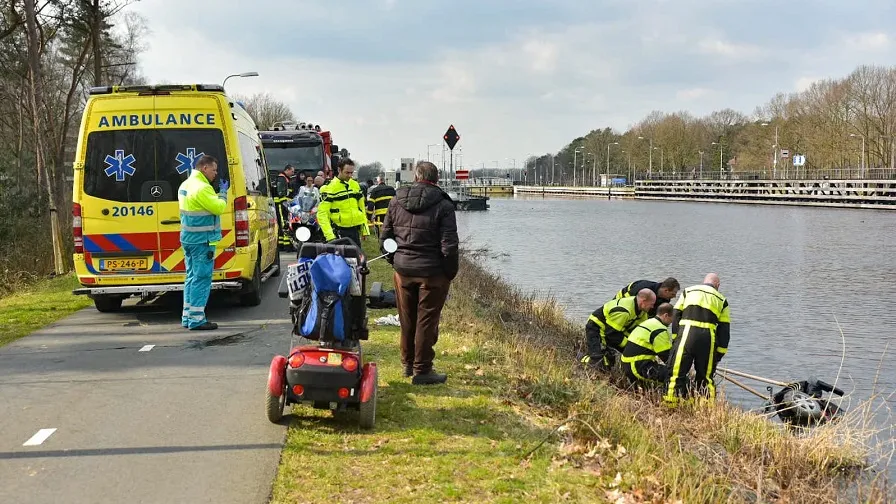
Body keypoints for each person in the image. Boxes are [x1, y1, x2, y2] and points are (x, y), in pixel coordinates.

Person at [380, 161, 458, 385]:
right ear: (436, 179)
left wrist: (395, 261)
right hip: (432, 272)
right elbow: (449, 245)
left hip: (403, 269)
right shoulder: (444, 204)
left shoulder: (396, 200)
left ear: (415, 176)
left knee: (407, 318)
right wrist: (449, 273)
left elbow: (385, 238)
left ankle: (407, 364)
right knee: (426, 320)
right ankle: (422, 369)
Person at [663, 273, 731, 406]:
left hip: (686, 336)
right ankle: (707, 408)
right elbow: (724, 329)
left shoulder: (688, 291)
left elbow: (676, 314)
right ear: (717, 285)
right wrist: (720, 352)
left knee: (676, 373)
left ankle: (671, 405)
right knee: (705, 377)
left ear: (703, 282)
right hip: (708, 340)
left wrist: (676, 338)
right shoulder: (722, 300)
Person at [178, 155, 228, 331]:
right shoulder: (202, 188)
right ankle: (197, 319)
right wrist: (222, 194)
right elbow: (219, 208)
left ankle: (187, 315)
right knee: (202, 279)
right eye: (214, 170)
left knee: (191, 277)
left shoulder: (186, 184)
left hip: (188, 239)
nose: (215, 173)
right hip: (203, 240)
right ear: (204, 168)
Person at [580, 288, 656, 370]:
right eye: (651, 304)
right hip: (596, 328)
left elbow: (639, 331)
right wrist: (629, 346)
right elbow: (612, 335)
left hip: (613, 331)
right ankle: (583, 359)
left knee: (611, 360)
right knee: (599, 361)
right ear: (643, 301)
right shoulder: (624, 311)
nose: (653, 307)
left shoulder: (642, 311)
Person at [317, 158, 369, 248]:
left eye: (351, 173)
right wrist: (330, 236)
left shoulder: (355, 185)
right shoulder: (329, 188)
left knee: (358, 260)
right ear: (339, 170)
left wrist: (364, 229)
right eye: (347, 172)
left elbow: (361, 209)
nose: (350, 175)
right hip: (338, 232)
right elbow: (322, 214)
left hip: (354, 231)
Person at [621, 302, 674, 389]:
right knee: (673, 376)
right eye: (672, 318)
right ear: (666, 315)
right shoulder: (660, 330)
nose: (671, 322)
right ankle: (669, 399)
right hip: (638, 366)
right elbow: (666, 357)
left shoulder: (649, 322)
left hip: (628, 363)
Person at [614, 277, 680, 315]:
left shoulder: (665, 299)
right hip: (619, 302)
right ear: (666, 290)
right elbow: (627, 301)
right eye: (673, 294)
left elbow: (654, 315)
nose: (674, 297)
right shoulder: (644, 287)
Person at [274, 164, 296, 250]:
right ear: (287, 170)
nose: (293, 173)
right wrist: (285, 203)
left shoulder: (285, 178)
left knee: (285, 222)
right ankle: (286, 245)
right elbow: (281, 194)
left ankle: (285, 244)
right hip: (281, 204)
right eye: (292, 171)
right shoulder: (282, 178)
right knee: (283, 223)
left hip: (285, 204)